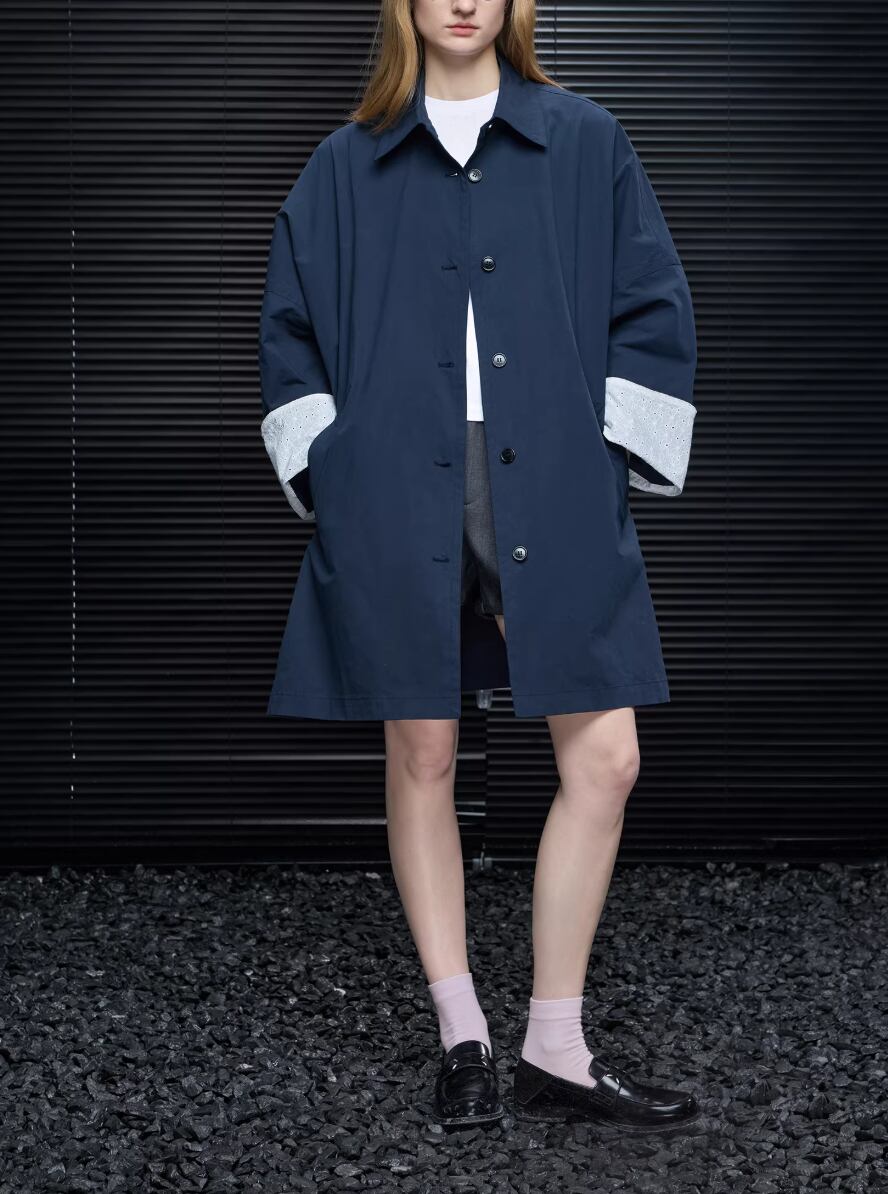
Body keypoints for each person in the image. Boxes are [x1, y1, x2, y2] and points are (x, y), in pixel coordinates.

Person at [258, 0, 702, 1134]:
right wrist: (327, 466)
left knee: (605, 759)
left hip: (547, 476)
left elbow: (653, 306)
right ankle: (463, 1036)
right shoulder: (345, 162)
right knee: (424, 750)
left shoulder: (587, 139)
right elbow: (289, 330)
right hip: (394, 484)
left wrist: (603, 460)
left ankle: (556, 1045)